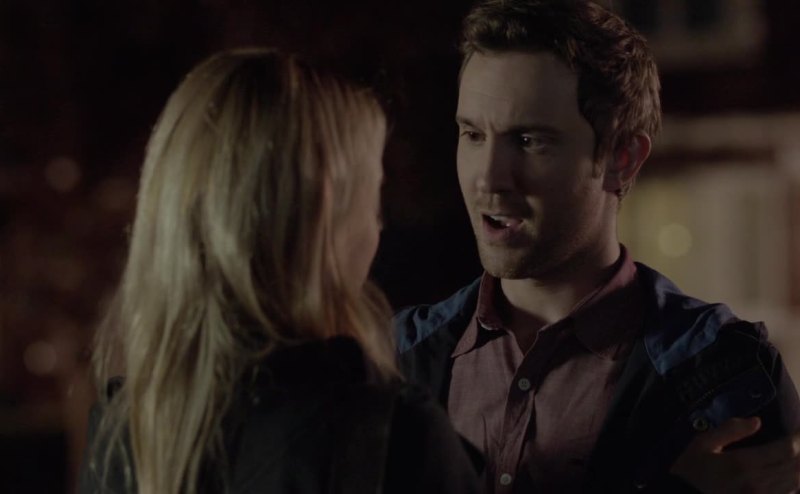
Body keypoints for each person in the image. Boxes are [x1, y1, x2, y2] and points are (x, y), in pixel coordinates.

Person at [393, 1, 800, 492]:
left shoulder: (726, 373)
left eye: (529, 140)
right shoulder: (397, 357)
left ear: (621, 158)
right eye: (473, 134)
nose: (488, 178)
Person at [78, 49, 482, 494]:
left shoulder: (121, 440)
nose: (378, 227)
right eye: (372, 196)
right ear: (323, 212)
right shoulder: (392, 440)